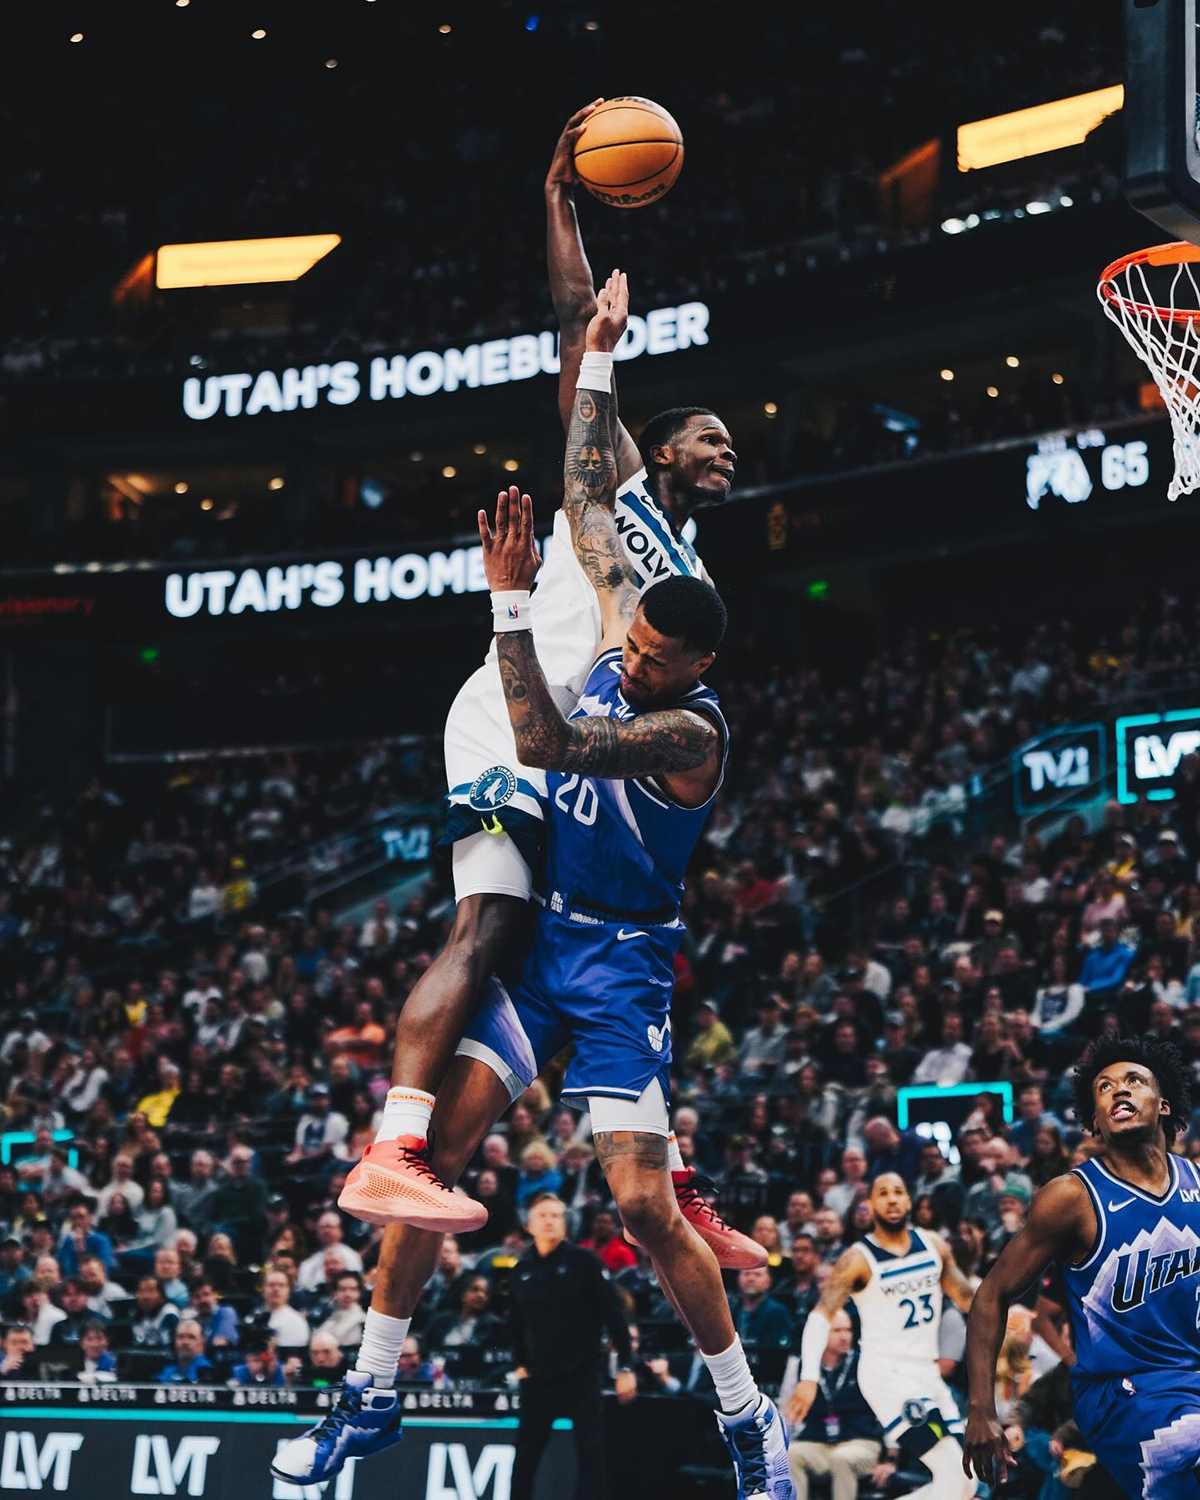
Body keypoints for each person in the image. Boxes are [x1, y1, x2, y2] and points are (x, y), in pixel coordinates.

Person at [275, 270, 789, 1499]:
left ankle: (747, 1413)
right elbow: (583, 484)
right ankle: (372, 1392)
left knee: (639, 1207)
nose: (634, 653)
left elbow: (552, 742)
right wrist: (599, 355)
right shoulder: (629, 610)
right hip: (550, 939)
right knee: (434, 1169)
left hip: (621, 965)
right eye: (636, 639)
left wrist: (507, 596)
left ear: (697, 662)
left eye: (656, 654)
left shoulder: (690, 730)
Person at [334, 101, 743, 1265]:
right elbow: (575, 324)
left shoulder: (692, 578)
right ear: (656, 448)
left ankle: (674, 1172)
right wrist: (558, 200)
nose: (727, 451)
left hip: (566, 742)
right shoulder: (612, 490)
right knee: (495, 921)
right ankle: (396, 1144)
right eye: (709, 438)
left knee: (608, 945)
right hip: (514, 720)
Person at [963, 1034, 1200, 1496]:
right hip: (1121, 1392)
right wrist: (981, 1409)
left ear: (1164, 1104)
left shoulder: (1197, 1182)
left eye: (1134, 1080)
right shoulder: (1071, 1197)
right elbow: (992, 1294)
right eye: (1105, 1087)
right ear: (1094, 1119)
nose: (1119, 1090)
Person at [792, 1174, 976, 1499]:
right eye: (883, 1193)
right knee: (948, 1470)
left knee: (966, 1479)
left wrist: (1009, 1303)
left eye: (898, 1192)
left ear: (910, 1201)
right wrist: (808, 1377)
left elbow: (967, 1299)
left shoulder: (933, 1245)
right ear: (871, 1205)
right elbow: (820, 1317)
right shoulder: (858, 1258)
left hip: (927, 1374)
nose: (891, 1199)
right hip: (887, 1375)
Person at [508, 1196, 634, 1500]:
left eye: (556, 1215)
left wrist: (626, 1366)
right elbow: (514, 1321)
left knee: (590, 1450)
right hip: (538, 1378)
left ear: (566, 1223)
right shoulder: (521, 1269)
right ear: (529, 1224)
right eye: (543, 1215)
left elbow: (614, 1314)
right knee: (526, 1454)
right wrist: (520, 1363)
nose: (550, 1220)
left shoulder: (585, 1262)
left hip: (582, 1374)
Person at [781, 1310, 883, 1500]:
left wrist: (891, 1459)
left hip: (860, 1442)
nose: (845, 1337)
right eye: (836, 1331)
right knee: (790, 1454)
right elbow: (787, 1409)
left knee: (842, 1459)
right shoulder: (801, 1365)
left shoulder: (866, 1363)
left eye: (848, 1330)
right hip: (819, 1443)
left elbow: (886, 1408)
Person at [155, 1319, 215, 1384]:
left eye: (192, 1337)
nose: (185, 1342)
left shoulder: (208, 1371)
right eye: (181, 1337)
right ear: (174, 1341)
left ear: (202, 1343)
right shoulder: (168, 1370)